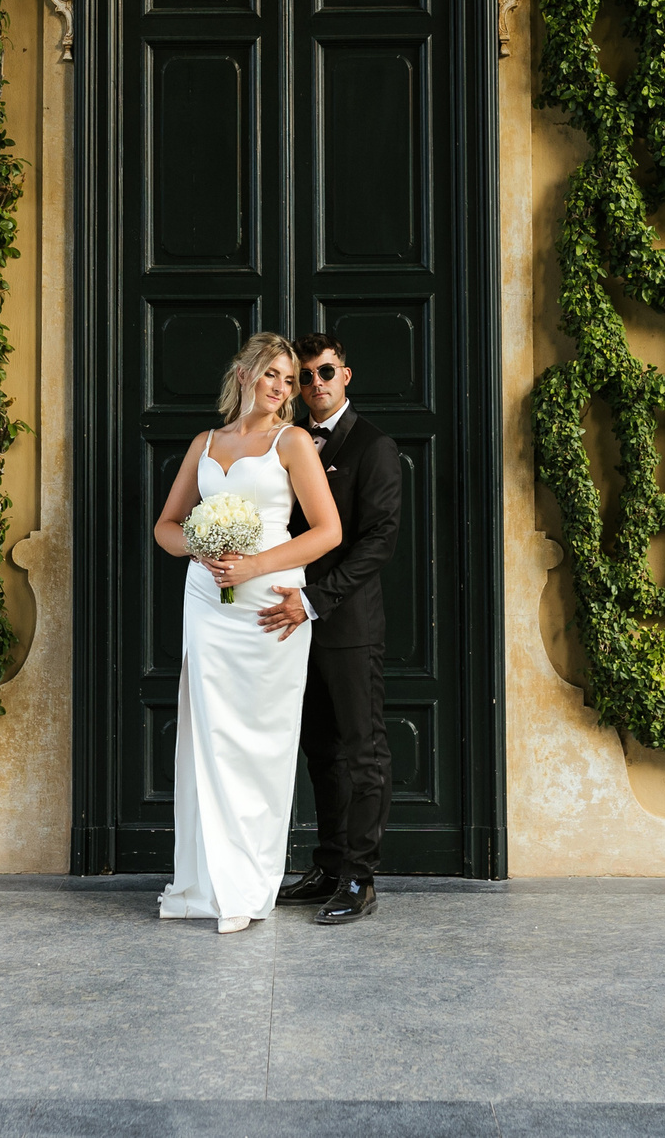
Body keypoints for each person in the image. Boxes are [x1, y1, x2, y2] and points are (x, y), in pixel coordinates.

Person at [152, 331, 343, 933]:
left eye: (290, 381)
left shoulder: (293, 443)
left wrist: (256, 564)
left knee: (259, 744)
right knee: (210, 739)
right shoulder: (204, 443)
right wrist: (201, 548)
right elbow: (166, 526)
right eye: (274, 376)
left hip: (268, 607)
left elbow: (327, 530)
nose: (284, 389)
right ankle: (209, 884)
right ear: (244, 374)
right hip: (207, 603)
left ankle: (248, 888)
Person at [266, 332, 401, 925]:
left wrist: (316, 600)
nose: (315, 385)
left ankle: (358, 878)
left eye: (325, 373)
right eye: (305, 377)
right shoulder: (285, 443)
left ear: (346, 375)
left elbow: (378, 542)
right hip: (287, 620)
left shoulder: (374, 446)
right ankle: (325, 863)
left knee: (362, 750)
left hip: (344, 620)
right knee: (318, 747)